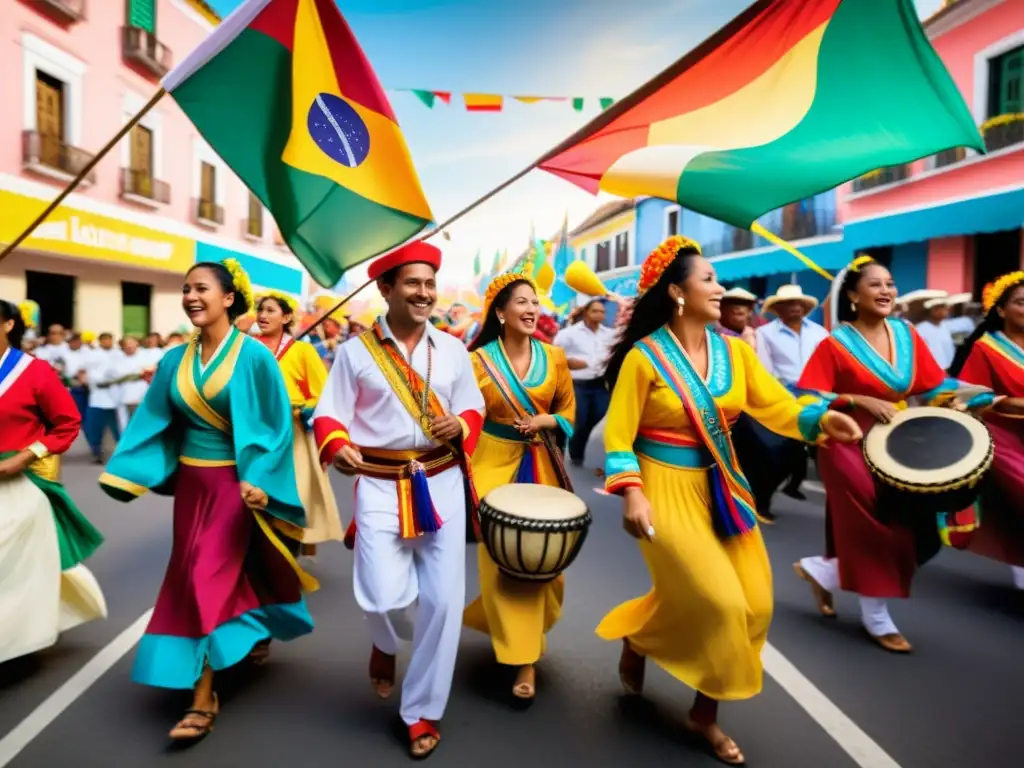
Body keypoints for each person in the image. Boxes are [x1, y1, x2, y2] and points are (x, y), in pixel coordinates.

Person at [598, 237, 861, 765]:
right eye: (710, 280)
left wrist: (820, 420)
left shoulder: (737, 352)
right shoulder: (644, 358)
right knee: (719, 603)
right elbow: (619, 438)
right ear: (677, 292)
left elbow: (779, 407)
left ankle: (652, 651)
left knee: (756, 605)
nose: (721, 290)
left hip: (722, 485)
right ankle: (704, 715)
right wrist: (631, 493)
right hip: (662, 486)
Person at [98, 259, 316, 740]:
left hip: (235, 488)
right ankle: (249, 630)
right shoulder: (175, 360)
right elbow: (153, 421)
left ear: (228, 298)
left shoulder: (256, 357)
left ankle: (203, 693)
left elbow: (275, 427)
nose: (191, 297)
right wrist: (129, 470)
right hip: (192, 489)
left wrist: (261, 478)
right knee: (199, 570)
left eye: (201, 289)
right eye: (185, 289)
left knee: (203, 575)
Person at [313, 241, 484, 760]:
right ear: (385, 289)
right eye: (413, 283)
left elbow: (473, 406)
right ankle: (385, 642)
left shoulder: (454, 350)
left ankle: (422, 711)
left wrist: (461, 425)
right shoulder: (354, 353)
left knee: (444, 600)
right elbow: (329, 414)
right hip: (381, 482)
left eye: (430, 283)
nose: (425, 292)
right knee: (383, 594)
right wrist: (337, 445)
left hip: (441, 480)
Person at [794, 256, 992, 653]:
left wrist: (968, 398)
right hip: (845, 441)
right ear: (852, 295)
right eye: (875, 285)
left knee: (920, 529)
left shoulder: (905, 334)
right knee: (875, 526)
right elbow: (809, 400)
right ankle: (876, 616)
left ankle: (826, 571)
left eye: (890, 284)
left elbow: (934, 385)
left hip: (898, 442)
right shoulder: (834, 343)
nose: (886, 291)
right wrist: (858, 400)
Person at [463, 270, 575, 701]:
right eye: (522, 302)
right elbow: (468, 415)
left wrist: (548, 420)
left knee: (545, 564)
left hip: (542, 463)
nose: (532, 309)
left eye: (535, 302)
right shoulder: (478, 362)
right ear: (501, 312)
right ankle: (522, 658)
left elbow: (568, 410)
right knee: (501, 561)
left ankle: (519, 629)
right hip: (491, 463)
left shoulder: (556, 357)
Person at [0, 300, 107, 664]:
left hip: (16, 486)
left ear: (8, 324)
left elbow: (66, 423)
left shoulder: (34, 372)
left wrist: (25, 456)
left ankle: (16, 645)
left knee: (10, 572)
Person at [255, 291, 344, 562]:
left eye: (270, 310)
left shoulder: (303, 351)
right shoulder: (249, 350)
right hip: (257, 433)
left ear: (286, 317)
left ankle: (286, 559)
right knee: (255, 495)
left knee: (293, 494)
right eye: (260, 310)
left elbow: (322, 394)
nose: (263, 316)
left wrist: (302, 409)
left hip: (292, 434)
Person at [949, 272, 1024, 588]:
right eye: (1021, 302)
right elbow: (970, 395)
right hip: (1005, 438)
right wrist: (1010, 402)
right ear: (1002, 310)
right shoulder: (986, 348)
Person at [756, 284, 830, 506]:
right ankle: (765, 498)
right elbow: (765, 369)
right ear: (777, 309)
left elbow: (828, 365)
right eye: (789, 304)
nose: (795, 307)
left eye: (799, 304)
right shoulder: (765, 333)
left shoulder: (820, 333)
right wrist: (779, 398)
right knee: (788, 447)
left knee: (824, 444)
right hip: (786, 393)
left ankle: (798, 484)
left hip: (818, 393)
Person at [553, 298, 616, 468]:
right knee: (580, 419)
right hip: (577, 384)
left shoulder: (609, 334)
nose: (600, 314)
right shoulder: (569, 334)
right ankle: (575, 453)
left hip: (599, 384)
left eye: (602, 312)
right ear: (586, 313)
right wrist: (568, 362)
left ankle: (579, 440)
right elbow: (554, 355)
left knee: (598, 415)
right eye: (595, 311)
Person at [916, 297, 956, 370]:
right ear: (931, 311)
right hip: (932, 371)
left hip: (949, 369)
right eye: (938, 308)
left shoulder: (945, 326)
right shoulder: (921, 328)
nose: (942, 311)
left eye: (944, 308)